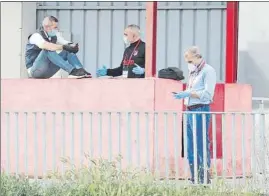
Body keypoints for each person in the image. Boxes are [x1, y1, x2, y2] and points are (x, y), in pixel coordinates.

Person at [173, 46, 216, 184]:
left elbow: (208, 94)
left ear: (198, 57)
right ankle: (194, 177)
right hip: (189, 109)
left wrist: (188, 93)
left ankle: (204, 177)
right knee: (190, 145)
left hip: (200, 109)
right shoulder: (193, 72)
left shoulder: (208, 71)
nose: (189, 64)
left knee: (201, 143)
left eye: (190, 61)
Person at [25, 16, 91, 79]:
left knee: (67, 51)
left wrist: (72, 47)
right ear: (47, 27)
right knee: (48, 49)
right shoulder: (35, 36)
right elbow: (45, 45)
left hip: (48, 71)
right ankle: (72, 71)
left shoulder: (53, 36)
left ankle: (80, 70)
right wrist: (63, 47)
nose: (57, 29)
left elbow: (63, 42)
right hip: (35, 71)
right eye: (55, 27)